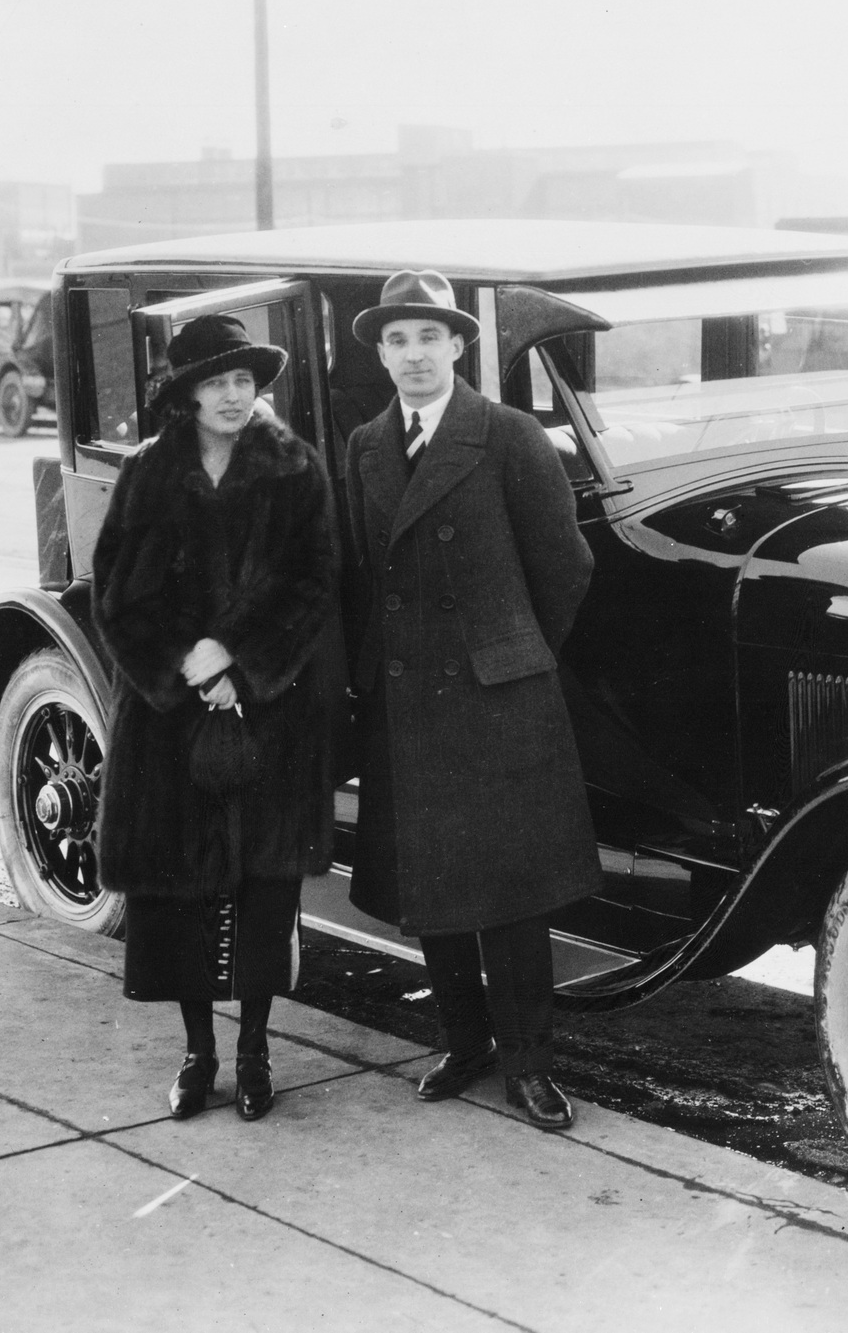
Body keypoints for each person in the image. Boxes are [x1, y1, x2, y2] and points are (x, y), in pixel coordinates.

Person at [341, 269, 599, 1131]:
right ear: (380, 353)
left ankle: (530, 1065)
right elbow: (360, 573)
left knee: (510, 894)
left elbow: (563, 568)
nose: (413, 355)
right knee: (433, 885)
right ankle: (465, 1043)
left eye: (428, 337)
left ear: (459, 345)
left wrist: (509, 655)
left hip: (497, 700)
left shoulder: (510, 435)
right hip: (410, 698)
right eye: (397, 340)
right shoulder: (366, 446)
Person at [92, 313, 339, 1123]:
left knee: (264, 888)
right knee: (180, 888)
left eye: (245, 380)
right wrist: (186, 668)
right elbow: (117, 593)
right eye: (217, 382)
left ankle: (256, 1049)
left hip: (268, 713)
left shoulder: (295, 468)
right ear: (187, 394)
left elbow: (314, 584)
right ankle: (199, 1052)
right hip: (169, 722)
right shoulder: (148, 472)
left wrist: (241, 662)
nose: (235, 395)